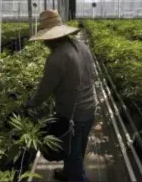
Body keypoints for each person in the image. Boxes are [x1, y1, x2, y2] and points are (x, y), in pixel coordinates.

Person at [25, 10, 95, 182]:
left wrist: (30, 103)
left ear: (50, 38)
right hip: (90, 108)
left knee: (72, 154)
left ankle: (75, 176)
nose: (44, 43)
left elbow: (44, 91)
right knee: (78, 148)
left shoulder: (56, 58)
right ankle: (69, 172)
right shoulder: (82, 46)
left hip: (72, 114)